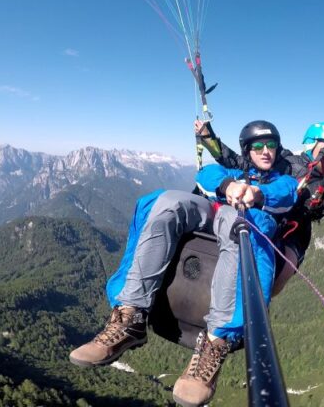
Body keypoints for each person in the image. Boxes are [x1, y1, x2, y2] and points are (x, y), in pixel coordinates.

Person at [69, 120, 297, 407]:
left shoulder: (281, 179)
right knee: (165, 202)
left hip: (240, 218)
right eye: (259, 146)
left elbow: (288, 193)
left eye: (271, 146)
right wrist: (229, 185)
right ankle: (131, 315)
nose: (266, 151)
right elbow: (207, 173)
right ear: (247, 150)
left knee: (236, 221)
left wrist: (257, 194)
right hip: (212, 209)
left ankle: (216, 341)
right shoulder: (234, 170)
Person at [195, 119, 324, 295]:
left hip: (296, 230)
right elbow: (235, 160)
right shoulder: (286, 162)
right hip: (270, 214)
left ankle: (261, 303)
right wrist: (208, 136)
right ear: (312, 146)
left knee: (284, 270)